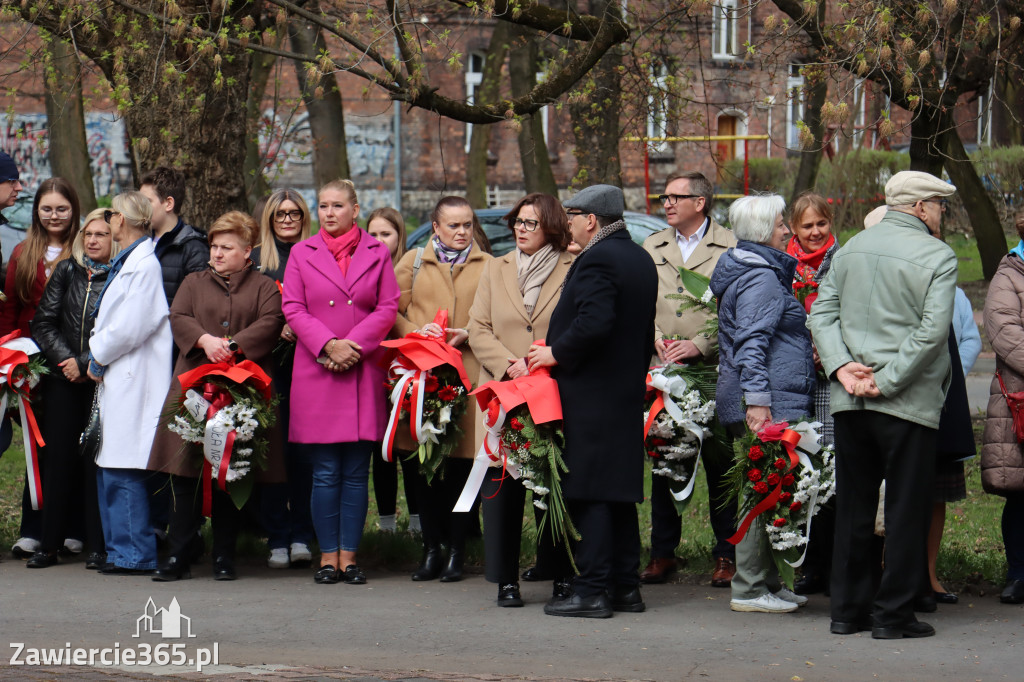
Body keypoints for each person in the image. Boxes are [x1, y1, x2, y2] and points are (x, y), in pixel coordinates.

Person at [808, 171, 958, 639]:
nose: (940, 213)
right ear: (918, 208)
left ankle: (846, 612)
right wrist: (888, 380)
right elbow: (932, 333)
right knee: (905, 508)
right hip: (907, 401)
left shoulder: (850, 248)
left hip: (851, 399)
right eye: (937, 204)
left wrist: (842, 368)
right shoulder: (938, 255)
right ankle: (892, 615)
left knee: (852, 505)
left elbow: (820, 314)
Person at [528, 184, 657, 619]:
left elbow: (595, 322)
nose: (566, 223)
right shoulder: (639, 257)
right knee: (619, 491)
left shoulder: (598, 257)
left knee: (591, 491)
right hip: (622, 392)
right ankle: (625, 587)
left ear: (591, 220)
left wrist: (554, 352)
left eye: (572, 214)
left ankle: (592, 590)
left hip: (591, 393)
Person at [149, 211, 285, 582]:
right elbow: (178, 315)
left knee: (230, 471)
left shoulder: (264, 286)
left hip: (242, 391)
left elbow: (271, 322)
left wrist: (236, 345)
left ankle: (224, 556)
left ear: (247, 251)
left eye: (227, 247)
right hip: (193, 389)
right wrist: (204, 340)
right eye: (214, 246)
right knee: (185, 472)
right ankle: (178, 554)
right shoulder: (194, 282)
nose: (218, 253)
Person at [282, 179, 400, 585]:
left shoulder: (377, 251)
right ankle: (326, 556)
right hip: (319, 369)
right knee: (325, 472)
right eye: (323, 206)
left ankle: (349, 556)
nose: (329, 213)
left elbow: (387, 307)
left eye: (337, 205)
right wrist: (329, 345)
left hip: (362, 368)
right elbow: (293, 307)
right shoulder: (301, 252)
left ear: (354, 208)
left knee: (355, 471)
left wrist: (354, 345)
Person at [468, 192, 574, 607]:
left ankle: (561, 574)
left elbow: (579, 323)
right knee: (503, 489)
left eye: (530, 223)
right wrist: (508, 364)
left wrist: (544, 362)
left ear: (551, 227)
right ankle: (505, 581)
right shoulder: (497, 267)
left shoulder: (572, 267)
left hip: (553, 391)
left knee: (554, 485)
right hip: (504, 393)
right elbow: (477, 327)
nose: (521, 229)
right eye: (518, 222)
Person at [709, 194, 814, 614]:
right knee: (762, 489)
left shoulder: (757, 271)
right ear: (763, 233)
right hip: (766, 401)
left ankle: (767, 581)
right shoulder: (761, 278)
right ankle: (750, 588)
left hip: (768, 396)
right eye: (780, 225)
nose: (787, 231)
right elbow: (751, 344)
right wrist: (758, 403)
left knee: (772, 486)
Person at [639, 171, 738, 588]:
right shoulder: (652, 245)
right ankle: (663, 552)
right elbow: (641, 300)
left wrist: (700, 344)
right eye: (665, 196)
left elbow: (734, 309)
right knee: (665, 461)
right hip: (663, 369)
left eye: (676, 196)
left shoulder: (729, 246)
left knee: (719, 465)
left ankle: (726, 554)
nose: (667, 203)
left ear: (700, 202)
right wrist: (657, 339)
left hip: (711, 370)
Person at [393, 195, 491, 583]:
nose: (462, 232)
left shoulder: (489, 266)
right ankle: (430, 550)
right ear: (435, 227)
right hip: (422, 380)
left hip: (466, 380)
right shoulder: (413, 262)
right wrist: (413, 333)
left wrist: (472, 332)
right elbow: (391, 311)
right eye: (453, 225)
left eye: (467, 224)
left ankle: (457, 551)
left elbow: (495, 317)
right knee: (423, 469)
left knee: (459, 469)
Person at [25, 209, 119, 570]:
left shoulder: (120, 276)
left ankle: (97, 545)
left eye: (102, 234)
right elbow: (44, 322)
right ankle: (49, 544)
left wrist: (86, 362)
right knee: (59, 460)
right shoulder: (67, 271)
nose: (93, 240)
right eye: (89, 233)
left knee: (95, 461)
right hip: (63, 380)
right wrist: (68, 361)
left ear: (115, 239)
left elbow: (117, 330)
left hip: (100, 379)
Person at [87, 191, 173, 575]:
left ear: (122, 220)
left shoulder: (143, 266)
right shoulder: (131, 262)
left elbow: (131, 327)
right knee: (112, 467)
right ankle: (119, 549)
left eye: (110, 214)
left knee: (122, 470)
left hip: (132, 375)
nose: (108, 220)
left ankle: (135, 554)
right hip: (122, 376)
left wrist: (97, 352)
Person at [4, 177, 81, 560]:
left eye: (61, 208)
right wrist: (8, 355)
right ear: (37, 211)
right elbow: (11, 309)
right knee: (38, 447)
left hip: (71, 361)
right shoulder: (23, 252)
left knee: (71, 445)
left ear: (73, 211)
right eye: (47, 208)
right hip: (30, 364)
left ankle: (70, 528)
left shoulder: (85, 249)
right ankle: (32, 530)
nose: (54, 215)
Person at [252, 189, 316, 569]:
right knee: (273, 451)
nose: (288, 219)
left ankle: (302, 535)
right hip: (269, 366)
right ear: (269, 217)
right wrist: (275, 328)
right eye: (280, 213)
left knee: (304, 455)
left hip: (309, 366)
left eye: (294, 213)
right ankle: (276, 535)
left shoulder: (316, 255)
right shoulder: (258, 260)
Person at [785, 192, 839, 596]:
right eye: (807, 226)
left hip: (829, 382)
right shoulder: (785, 266)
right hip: (793, 380)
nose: (816, 233)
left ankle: (832, 562)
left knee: (828, 471)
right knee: (798, 468)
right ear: (794, 230)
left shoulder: (842, 261)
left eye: (821, 224)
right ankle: (806, 563)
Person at [365, 206, 420, 534]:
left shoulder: (410, 269)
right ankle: (386, 524)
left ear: (399, 236)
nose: (378, 240)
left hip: (406, 367)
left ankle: (416, 522)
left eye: (385, 234)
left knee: (408, 444)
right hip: (372, 367)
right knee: (380, 450)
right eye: (372, 233)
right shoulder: (359, 269)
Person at [981, 209, 1024, 605]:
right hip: (1019, 401)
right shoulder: (1009, 275)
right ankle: (1018, 573)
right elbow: (1004, 332)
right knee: (1021, 494)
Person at [139, 166, 209, 304]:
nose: (140, 208)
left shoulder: (193, 249)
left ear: (169, 204)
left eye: (146, 202)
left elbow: (201, 304)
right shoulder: (140, 243)